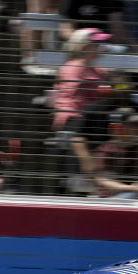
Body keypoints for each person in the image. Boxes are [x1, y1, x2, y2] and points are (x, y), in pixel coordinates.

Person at [51, 28, 112, 175]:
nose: (101, 47)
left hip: (92, 120)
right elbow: (71, 92)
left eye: (101, 43)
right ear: (84, 46)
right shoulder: (72, 67)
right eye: (96, 43)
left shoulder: (101, 71)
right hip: (74, 119)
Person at [91, 110, 138, 198]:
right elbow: (104, 180)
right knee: (130, 196)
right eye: (133, 124)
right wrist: (131, 188)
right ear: (119, 127)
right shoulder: (106, 150)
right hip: (113, 199)